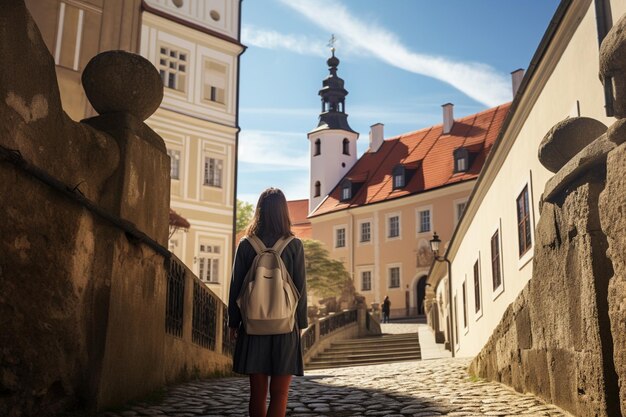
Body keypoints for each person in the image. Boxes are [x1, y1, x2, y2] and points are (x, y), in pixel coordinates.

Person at [228, 188, 308, 417]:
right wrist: (300, 324)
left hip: (253, 326)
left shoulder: (245, 245)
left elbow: (236, 288)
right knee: (280, 394)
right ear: (284, 212)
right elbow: (301, 290)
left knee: (257, 394)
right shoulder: (294, 245)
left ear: (259, 211)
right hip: (285, 327)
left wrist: (233, 322)